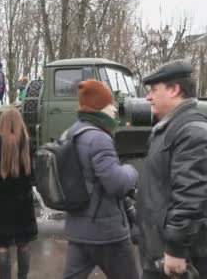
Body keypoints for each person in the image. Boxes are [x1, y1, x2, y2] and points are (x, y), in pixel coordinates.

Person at [137, 60, 207, 279]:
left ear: (174, 89)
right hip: (163, 254)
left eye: (154, 90)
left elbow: (191, 195)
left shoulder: (191, 132)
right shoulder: (173, 127)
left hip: (183, 260)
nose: (149, 97)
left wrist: (176, 249)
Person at [61, 80, 139, 279]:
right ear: (99, 106)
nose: (114, 108)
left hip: (78, 229)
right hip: (106, 232)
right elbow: (116, 183)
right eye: (110, 103)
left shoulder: (71, 132)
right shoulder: (99, 138)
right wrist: (132, 171)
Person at [0, 107, 37, 279]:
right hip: (23, 204)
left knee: (2, 246)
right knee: (24, 244)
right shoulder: (28, 146)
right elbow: (33, 178)